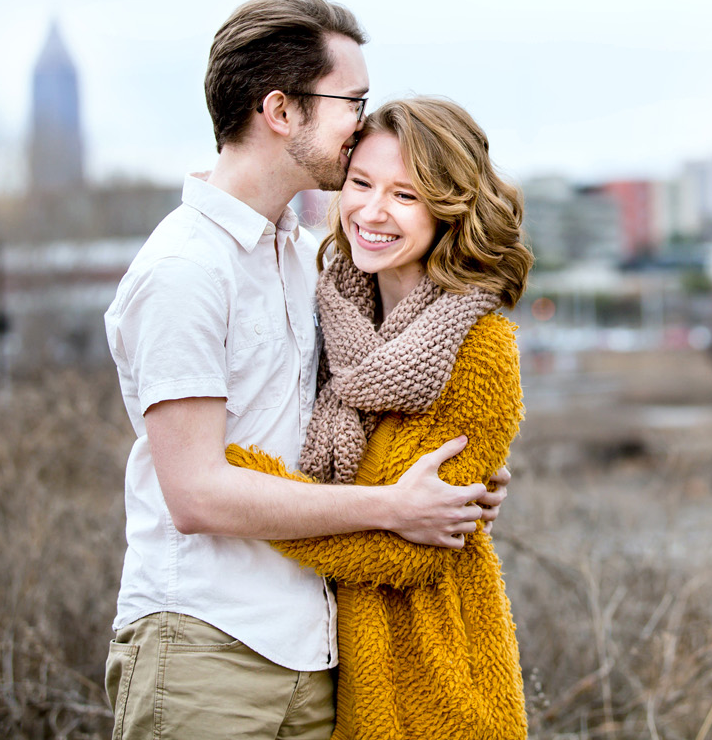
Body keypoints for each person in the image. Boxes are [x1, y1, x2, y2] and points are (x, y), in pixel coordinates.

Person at [102, 0, 510, 740]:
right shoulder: (185, 271)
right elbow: (196, 494)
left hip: (317, 653)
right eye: (351, 100)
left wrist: (454, 482)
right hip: (207, 651)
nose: (363, 121)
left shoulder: (304, 259)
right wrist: (393, 509)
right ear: (281, 111)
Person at [227, 97, 532, 740]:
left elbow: (404, 547)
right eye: (361, 184)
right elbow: (386, 502)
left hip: (432, 670)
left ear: (450, 206)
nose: (372, 211)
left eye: (405, 195)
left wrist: (232, 472)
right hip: (324, 660)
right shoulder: (326, 308)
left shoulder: (478, 349)